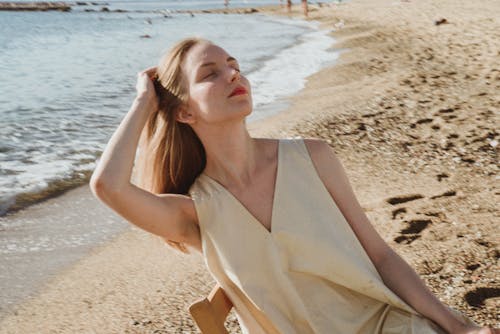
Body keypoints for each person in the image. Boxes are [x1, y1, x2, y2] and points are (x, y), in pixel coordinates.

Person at [90, 37, 498, 334]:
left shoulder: (312, 157)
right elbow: (109, 186)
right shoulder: (193, 211)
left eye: (234, 64)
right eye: (210, 73)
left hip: (385, 325)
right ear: (183, 113)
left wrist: (455, 326)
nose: (233, 73)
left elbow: (380, 256)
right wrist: (144, 102)